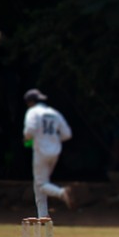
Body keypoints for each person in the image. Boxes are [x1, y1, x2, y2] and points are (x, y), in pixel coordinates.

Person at [22, 88, 74, 217]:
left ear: (30, 102)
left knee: (41, 184)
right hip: (55, 152)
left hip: (41, 151)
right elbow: (67, 134)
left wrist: (27, 139)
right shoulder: (54, 113)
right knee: (40, 182)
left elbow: (29, 131)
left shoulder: (33, 112)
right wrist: (53, 139)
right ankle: (43, 215)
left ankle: (62, 193)